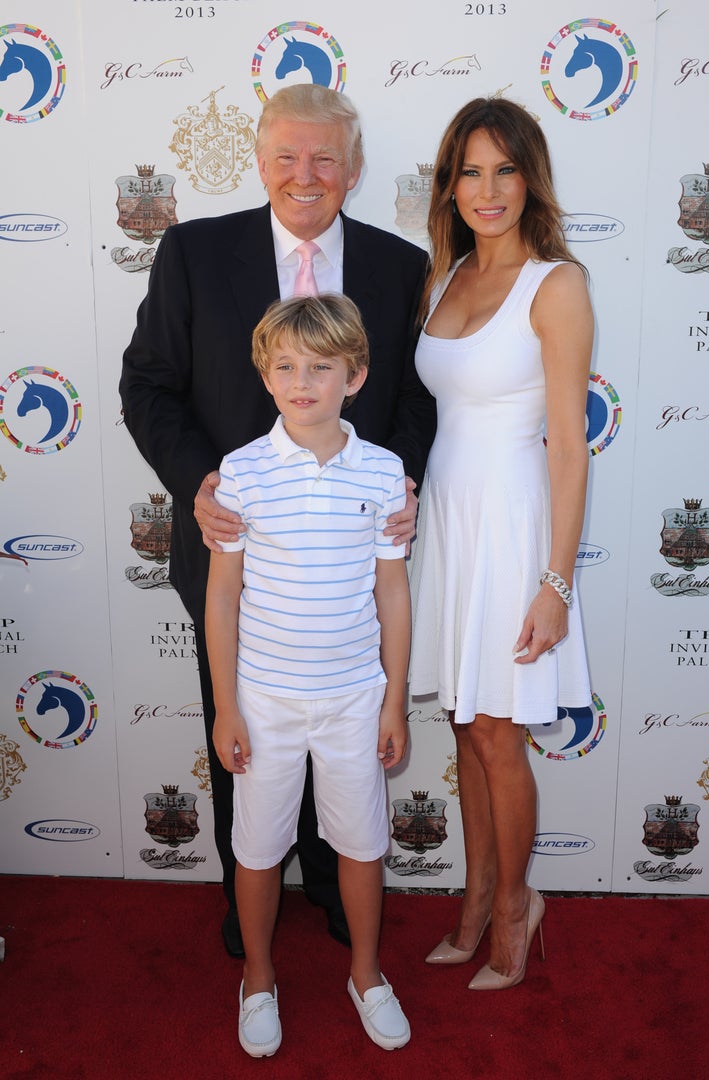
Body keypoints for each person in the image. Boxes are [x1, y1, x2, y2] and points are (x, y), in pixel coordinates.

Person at [120, 84, 435, 958]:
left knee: (343, 725)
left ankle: (338, 889)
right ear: (259, 163)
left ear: (354, 170)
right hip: (233, 548)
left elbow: (413, 401)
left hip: (350, 560)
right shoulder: (192, 251)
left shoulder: (398, 265)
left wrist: (398, 482)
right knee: (245, 733)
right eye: (288, 157)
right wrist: (201, 486)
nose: (306, 175)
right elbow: (147, 384)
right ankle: (247, 894)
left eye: (326, 159)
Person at [408, 97, 593, 989]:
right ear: (450, 184)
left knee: (496, 736)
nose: (488, 189)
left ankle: (517, 908)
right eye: (470, 171)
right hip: (448, 522)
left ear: (531, 178)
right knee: (460, 721)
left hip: (514, 527)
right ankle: (475, 898)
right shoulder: (442, 276)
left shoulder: (556, 284)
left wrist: (555, 581)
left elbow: (568, 443)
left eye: (505, 170)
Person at [207, 294, 412, 1056]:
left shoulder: (386, 473)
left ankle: (366, 973)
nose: (303, 382)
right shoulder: (242, 472)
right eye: (286, 366)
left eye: (321, 367)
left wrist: (393, 699)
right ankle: (257, 977)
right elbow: (222, 595)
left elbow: (392, 590)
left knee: (361, 844)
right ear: (265, 376)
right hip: (263, 698)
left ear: (354, 377)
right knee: (257, 848)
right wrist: (227, 706)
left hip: (356, 697)